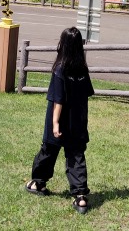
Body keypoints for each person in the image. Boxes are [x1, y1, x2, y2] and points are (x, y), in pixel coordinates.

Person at [25, 26, 95, 215]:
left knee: (48, 151)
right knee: (76, 156)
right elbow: (86, 94)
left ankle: (38, 184)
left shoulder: (60, 68)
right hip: (78, 121)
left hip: (60, 121)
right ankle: (80, 197)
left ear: (63, 45)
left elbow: (58, 100)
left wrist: (55, 124)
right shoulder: (82, 69)